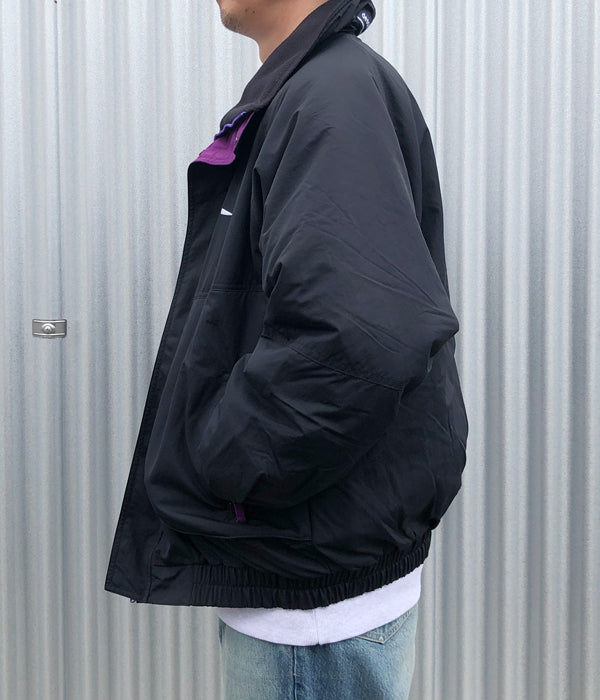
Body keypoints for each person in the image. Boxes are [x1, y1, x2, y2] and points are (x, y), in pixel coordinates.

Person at [104, 1, 468, 697]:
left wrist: (225, 457)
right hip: (306, 572)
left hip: (310, 613)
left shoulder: (330, 94)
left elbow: (360, 337)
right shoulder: (315, 88)